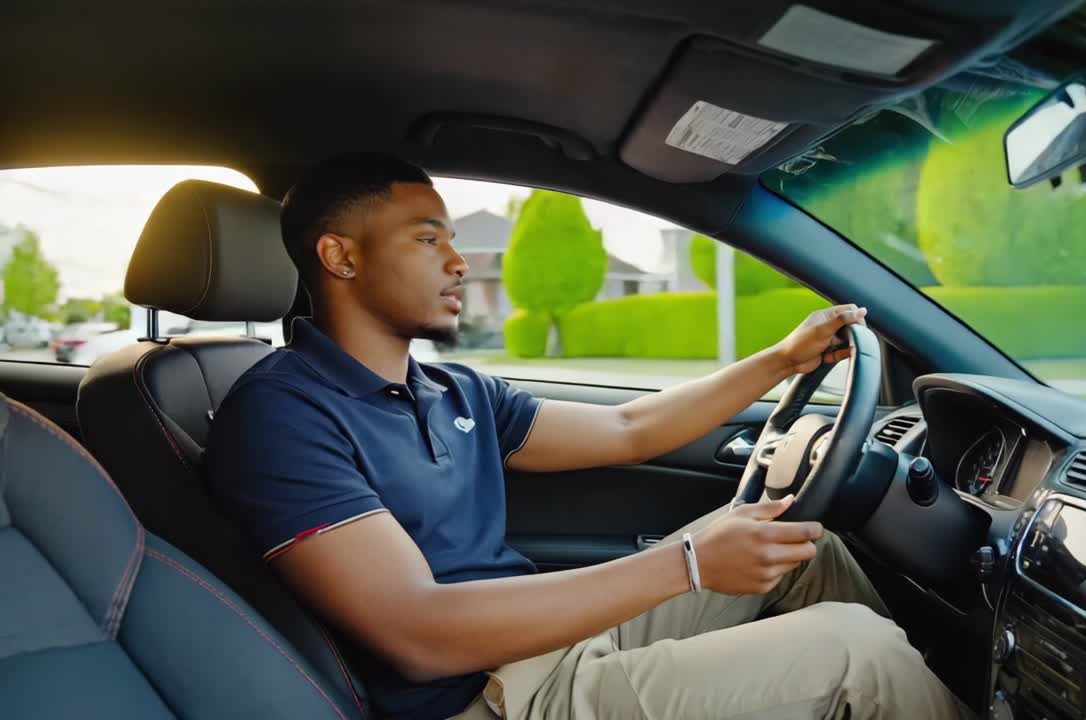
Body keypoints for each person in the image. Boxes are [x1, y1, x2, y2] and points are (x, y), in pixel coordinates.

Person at [206, 153, 971, 720]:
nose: (458, 260)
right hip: (484, 699)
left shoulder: (450, 389)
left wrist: (780, 361)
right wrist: (691, 565)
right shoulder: (283, 415)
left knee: (796, 544)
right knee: (852, 649)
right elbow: (419, 635)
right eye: (425, 239)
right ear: (340, 256)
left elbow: (629, 426)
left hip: (540, 644)